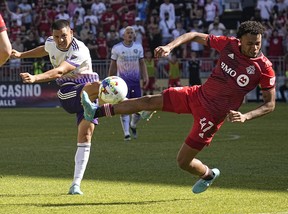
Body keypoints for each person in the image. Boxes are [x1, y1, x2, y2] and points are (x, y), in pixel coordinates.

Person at [81, 21, 276, 194]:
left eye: (258, 43)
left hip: (212, 116)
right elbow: (193, 35)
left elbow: (270, 104)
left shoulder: (264, 68)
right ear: (240, 40)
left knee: (183, 162)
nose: (255, 48)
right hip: (197, 94)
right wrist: (169, 46)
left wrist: (246, 116)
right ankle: (95, 111)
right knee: (148, 100)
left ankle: (208, 175)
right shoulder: (229, 44)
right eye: (250, 43)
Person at [10, 19, 102, 195]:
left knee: (86, 136)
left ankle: (75, 185)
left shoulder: (79, 49)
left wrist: (36, 77)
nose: (60, 40)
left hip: (89, 93)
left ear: (72, 33)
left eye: (64, 36)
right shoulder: (51, 42)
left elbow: (60, 70)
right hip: (69, 91)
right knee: (100, 86)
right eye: (56, 36)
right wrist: (22, 55)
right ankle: (125, 104)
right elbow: (43, 50)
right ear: (52, 35)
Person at [108, 26, 148, 141]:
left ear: (134, 35)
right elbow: (113, 65)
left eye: (132, 33)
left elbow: (142, 63)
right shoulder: (117, 48)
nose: (130, 34)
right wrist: (110, 79)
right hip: (122, 83)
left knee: (138, 108)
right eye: (128, 32)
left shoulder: (138, 47)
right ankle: (126, 133)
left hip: (135, 82)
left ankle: (133, 125)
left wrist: (145, 77)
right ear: (123, 35)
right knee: (124, 107)